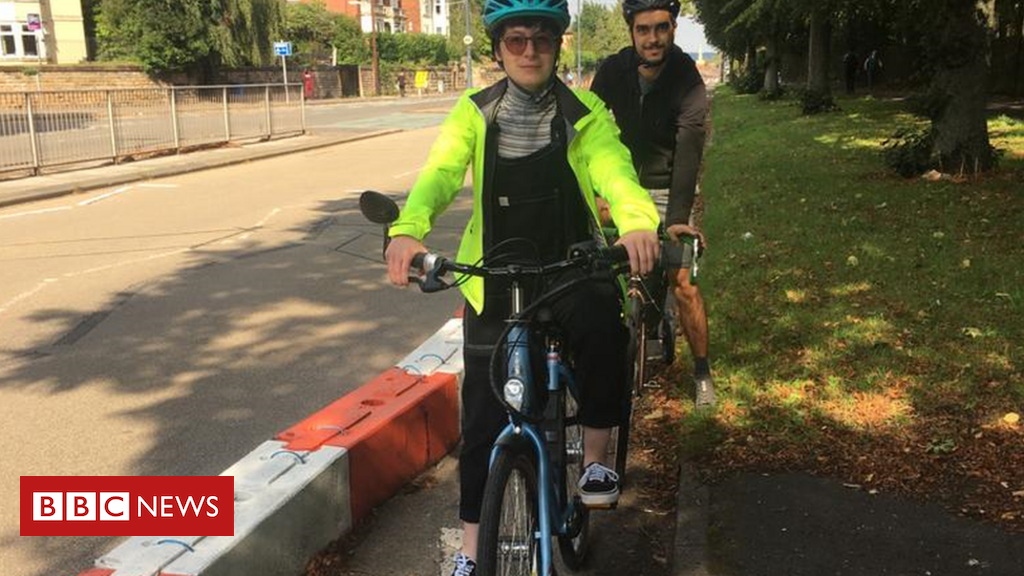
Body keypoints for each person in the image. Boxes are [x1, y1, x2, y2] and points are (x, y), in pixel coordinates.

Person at [382, 0, 661, 573]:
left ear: (559, 45)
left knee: (604, 332)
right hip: (497, 277)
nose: (529, 50)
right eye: (516, 40)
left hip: (574, 267)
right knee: (483, 420)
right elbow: (439, 172)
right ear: (498, 48)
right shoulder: (474, 113)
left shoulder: (584, 113)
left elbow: (616, 171)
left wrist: (636, 223)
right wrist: (408, 232)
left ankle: (595, 463)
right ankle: (468, 553)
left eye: (541, 39)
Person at [591, 0, 716, 407]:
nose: (653, 38)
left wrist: (678, 217)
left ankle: (702, 374)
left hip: (666, 188)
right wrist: (595, 194)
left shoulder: (687, 79)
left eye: (661, 28)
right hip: (619, 185)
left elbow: (689, 149)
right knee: (596, 275)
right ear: (631, 31)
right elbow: (589, 132)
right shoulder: (612, 71)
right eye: (643, 29)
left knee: (683, 283)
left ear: (674, 28)